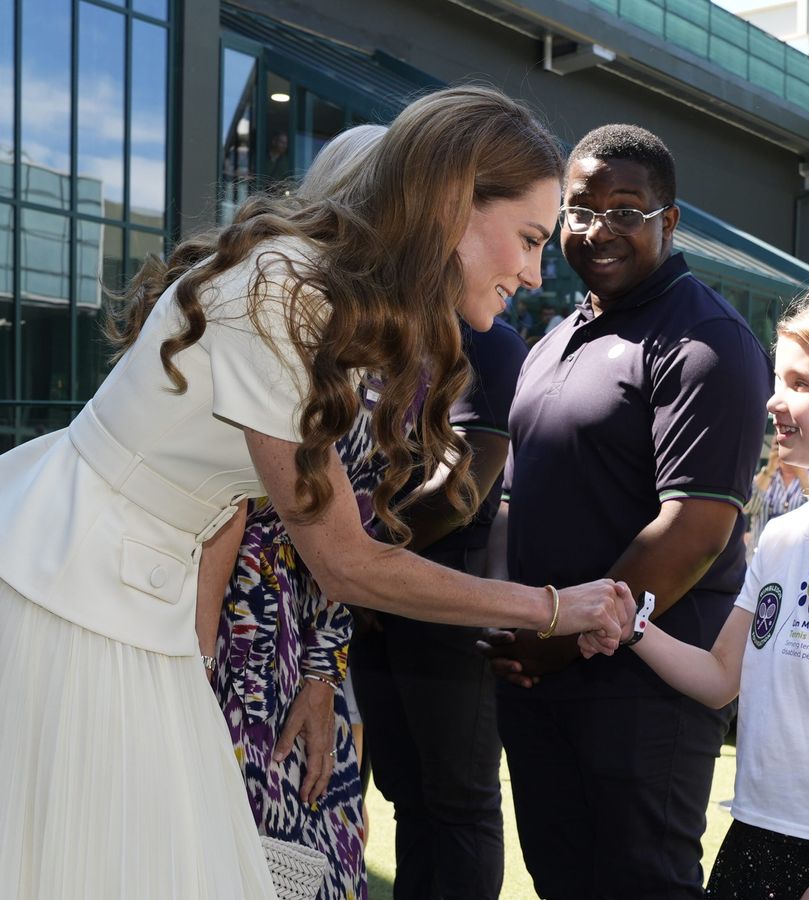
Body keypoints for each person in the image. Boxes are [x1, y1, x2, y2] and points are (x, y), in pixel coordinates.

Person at [0, 86, 632, 899]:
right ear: (451, 204)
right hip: (66, 593)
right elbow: (345, 561)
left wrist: (199, 663)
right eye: (529, 238)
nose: (536, 272)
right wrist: (550, 608)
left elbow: (222, 505)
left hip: (138, 607)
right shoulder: (284, 292)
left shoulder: (336, 303)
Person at [482, 124, 773, 899]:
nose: (598, 229)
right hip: (541, 674)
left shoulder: (705, 339)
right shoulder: (554, 340)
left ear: (667, 220)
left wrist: (556, 635)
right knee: (561, 880)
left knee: (641, 884)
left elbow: (695, 530)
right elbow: (515, 498)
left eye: (625, 210)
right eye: (581, 210)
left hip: (641, 685)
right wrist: (514, 623)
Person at [591, 287, 809, 899]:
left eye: (801, 383)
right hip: (754, 836)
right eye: (778, 378)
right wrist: (634, 629)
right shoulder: (783, 536)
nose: (773, 400)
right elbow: (719, 676)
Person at [198, 124, 387, 900]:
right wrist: (199, 667)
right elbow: (220, 507)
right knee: (219, 852)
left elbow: (354, 530)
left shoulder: (370, 344)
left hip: (308, 637)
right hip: (229, 633)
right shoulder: (276, 305)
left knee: (318, 858)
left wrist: (320, 674)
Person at [350, 313, 527, 900]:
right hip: (375, 596)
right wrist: (365, 570)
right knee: (407, 792)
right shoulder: (387, 330)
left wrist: (365, 560)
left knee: (458, 798)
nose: (528, 276)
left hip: (447, 589)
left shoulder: (490, 344)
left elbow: (461, 490)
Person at [744, 439, 809, 558]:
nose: (783, 448)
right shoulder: (764, 476)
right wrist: (770, 469)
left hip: (796, 557)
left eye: (789, 444)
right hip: (761, 556)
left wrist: (802, 473)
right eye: (778, 444)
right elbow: (748, 507)